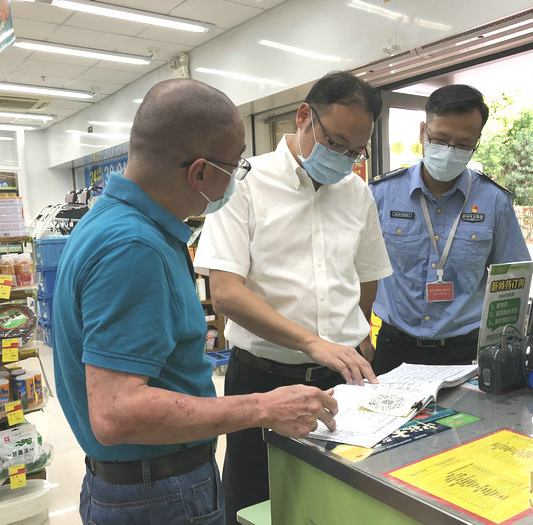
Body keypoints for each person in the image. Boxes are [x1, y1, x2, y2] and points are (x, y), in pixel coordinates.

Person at [52, 78, 338, 525]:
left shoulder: (112, 223)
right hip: (157, 495)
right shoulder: (135, 248)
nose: (237, 178)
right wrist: (264, 407)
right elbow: (116, 413)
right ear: (200, 172)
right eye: (235, 164)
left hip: (138, 486)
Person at [193, 71, 392, 523]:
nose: (343, 158)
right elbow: (225, 293)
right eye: (335, 142)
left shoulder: (358, 193)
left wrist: (357, 332)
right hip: (262, 379)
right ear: (304, 116)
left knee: (345, 502)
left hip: (343, 381)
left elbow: (366, 275)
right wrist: (311, 341)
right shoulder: (242, 183)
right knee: (254, 503)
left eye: (354, 151)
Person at [369, 84, 531, 375]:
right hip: (395, 348)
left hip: (466, 352)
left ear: (477, 143)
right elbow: (359, 271)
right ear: (422, 132)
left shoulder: (494, 201)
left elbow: (512, 279)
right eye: (440, 139)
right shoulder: (381, 195)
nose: (449, 151)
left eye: (463, 144)